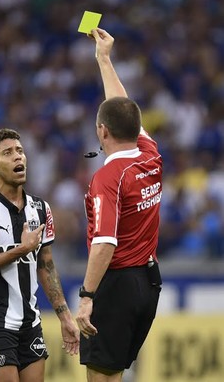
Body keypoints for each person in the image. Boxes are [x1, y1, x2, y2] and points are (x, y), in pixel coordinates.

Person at [76, 28, 163, 382]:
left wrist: (86, 296)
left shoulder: (109, 177)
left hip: (115, 286)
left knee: (102, 377)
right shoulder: (149, 154)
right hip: (148, 283)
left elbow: (105, 243)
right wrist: (104, 59)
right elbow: (123, 109)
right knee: (116, 375)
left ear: (101, 132)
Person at [0, 128, 79, 382]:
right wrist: (22, 249)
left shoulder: (40, 208)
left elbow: (46, 264)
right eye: (8, 153)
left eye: (20, 151)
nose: (18, 157)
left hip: (29, 319)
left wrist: (65, 317)